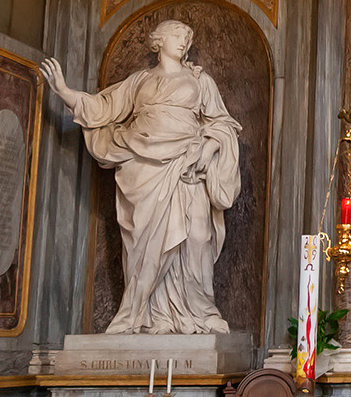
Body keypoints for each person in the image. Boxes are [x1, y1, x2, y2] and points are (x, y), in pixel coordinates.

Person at [40, 20, 240, 334]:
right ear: (158, 41)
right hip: (144, 167)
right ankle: (144, 313)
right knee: (147, 242)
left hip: (187, 165)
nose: (183, 42)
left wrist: (208, 148)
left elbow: (223, 124)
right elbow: (104, 108)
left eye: (187, 38)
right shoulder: (140, 81)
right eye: (177, 35)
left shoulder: (201, 81)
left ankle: (200, 312)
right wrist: (65, 91)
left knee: (197, 237)